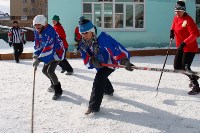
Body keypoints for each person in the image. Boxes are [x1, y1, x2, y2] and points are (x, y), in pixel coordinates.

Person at [78, 16, 134, 114]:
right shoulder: (83, 42)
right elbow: (85, 55)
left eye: (86, 33)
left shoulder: (104, 38)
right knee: (101, 74)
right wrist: (92, 60)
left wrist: (125, 61)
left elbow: (117, 49)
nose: (84, 36)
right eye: (82, 33)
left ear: (92, 31)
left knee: (99, 78)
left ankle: (93, 107)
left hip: (110, 62)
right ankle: (109, 90)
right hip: (99, 62)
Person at [170, 0, 200, 95]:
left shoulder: (188, 20)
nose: (177, 13)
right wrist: (171, 31)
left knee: (185, 67)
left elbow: (195, 34)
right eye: (175, 11)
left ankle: (196, 86)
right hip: (181, 47)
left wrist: (184, 43)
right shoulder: (176, 18)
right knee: (177, 67)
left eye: (179, 11)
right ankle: (193, 76)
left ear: (183, 10)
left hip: (190, 47)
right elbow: (174, 26)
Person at [32, 15, 65, 100]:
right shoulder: (37, 31)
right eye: (35, 25)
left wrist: (39, 59)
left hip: (57, 52)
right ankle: (54, 83)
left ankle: (58, 91)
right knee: (44, 71)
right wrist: (36, 54)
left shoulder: (50, 31)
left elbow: (49, 47)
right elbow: (38, 45)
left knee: (50, 71)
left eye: (38, 25)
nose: (37, 27)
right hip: (48, 52)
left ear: (43, 24)